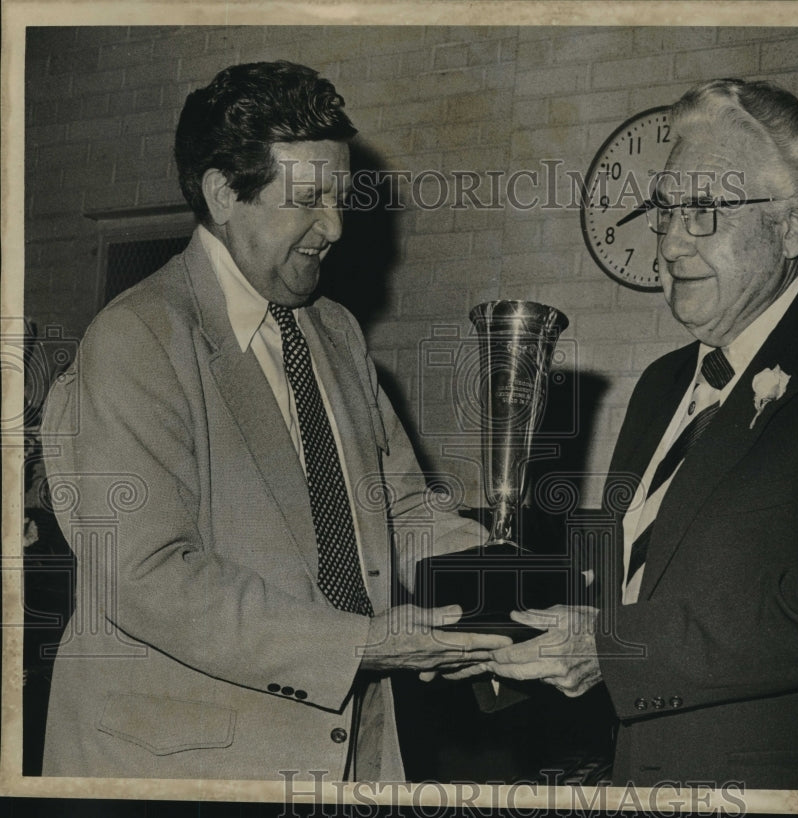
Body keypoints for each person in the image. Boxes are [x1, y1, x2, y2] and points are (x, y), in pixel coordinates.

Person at [475, 79, 798, 790]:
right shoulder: (662, 386)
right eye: (666, 210)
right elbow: (632, 595)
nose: (669, 242)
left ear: (793, 227)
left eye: (704, 210)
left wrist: (610, 647)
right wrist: (508, 630)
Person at [38, 61, 510, 781]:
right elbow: (144, 575)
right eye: (309, 199)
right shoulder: (137, 337)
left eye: (342, 198)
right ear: (223, 194)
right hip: (189, 765)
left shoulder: (337, 332)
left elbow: (404, 509)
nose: (336, 226)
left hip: (348, 750)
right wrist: (359, 644)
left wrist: (506, 587)